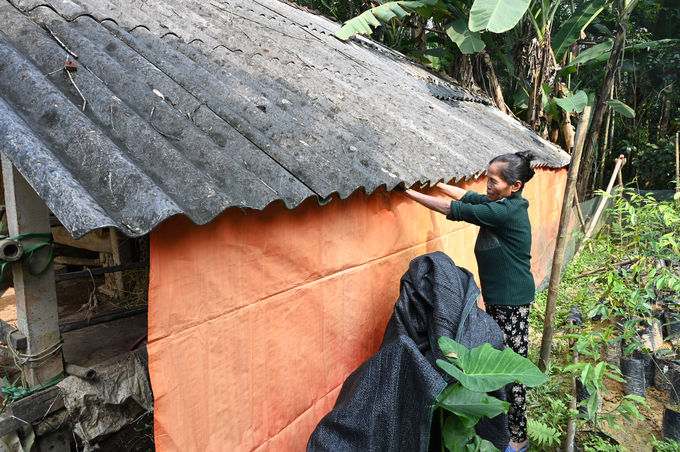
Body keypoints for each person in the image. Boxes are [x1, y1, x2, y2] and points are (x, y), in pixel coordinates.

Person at [400, 151, 537, 452]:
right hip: (502, 299)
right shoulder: (501, 202)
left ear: (514, 186)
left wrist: (408, 193)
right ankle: (508, 432)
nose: (487, 186)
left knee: (509, 370)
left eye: (494, 181)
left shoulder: (505, 212)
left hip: (511, 302)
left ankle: (517, 439)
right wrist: (436, 183)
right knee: (502, 363)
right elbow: (469, 197)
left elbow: (454, 208)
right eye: (487, 178)